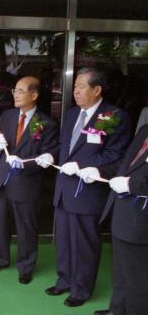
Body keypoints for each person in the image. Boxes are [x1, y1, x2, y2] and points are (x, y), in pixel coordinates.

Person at [37, 67, 131, 307]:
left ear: (97, 89)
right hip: (64, 187)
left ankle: (81, 289)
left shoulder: (113, 116)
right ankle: (65, 280)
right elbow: (64, 147)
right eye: (75, 87)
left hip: (87, 189)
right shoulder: (70, 114)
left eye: (81, 87)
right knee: (65, 239)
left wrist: (86, 166)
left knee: (84, 243)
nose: (75, 92)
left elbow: (115, 155)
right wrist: (51, 155)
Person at [0, 76, 58, 284]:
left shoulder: (46, 123)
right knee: (1, 223)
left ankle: (26, 266)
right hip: (2, 179)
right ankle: (0, 259)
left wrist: (30, 162)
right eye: (14, 91)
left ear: (34, 95)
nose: (15, 94)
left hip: (27, 183)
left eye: (20, 90)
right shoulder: (7, 116)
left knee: (26, 227)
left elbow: (49, 154)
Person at [80, 124, 148, 315]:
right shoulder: (145, 130)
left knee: (139, 283)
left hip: (142, 222)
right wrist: (99, 171)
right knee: (121, 274)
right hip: (124, 215)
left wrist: (131, 184)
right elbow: (126, 164)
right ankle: (117, 311)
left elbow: (135, 178)